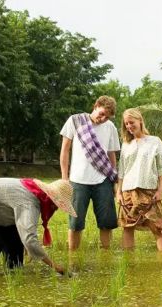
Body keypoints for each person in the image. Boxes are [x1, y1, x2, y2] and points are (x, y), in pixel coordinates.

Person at [0, 178, 77, 276]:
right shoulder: (30, 203)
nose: (56, 209)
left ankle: (13, 273)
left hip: (1, 209)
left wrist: (26, 244)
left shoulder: (36, 191)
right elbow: (30, 239)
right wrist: (55, 266)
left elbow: (24, 230)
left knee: (15, 245)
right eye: (57, 205)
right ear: (51, 200)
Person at [59, 96, 120, 250]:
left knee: (106, 223)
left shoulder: (110, 127)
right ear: (95, 106)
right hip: (78, 181)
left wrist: (114, 181)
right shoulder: (75, 121)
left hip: (103, 181)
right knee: (75, 224)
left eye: (107, 117)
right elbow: (65, 151)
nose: (103, 119)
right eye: (101, 114)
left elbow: (111, 155)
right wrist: (64, 179)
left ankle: (106, 256)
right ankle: (73, 257)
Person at [116, 108, 162, 251]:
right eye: (126, 124)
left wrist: (160, 189)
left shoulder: (155, 141)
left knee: (157, 228)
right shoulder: (126, 144)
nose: (129, 126)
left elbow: (161, 167)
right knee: (127, 228)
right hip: (128, 190)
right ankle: (129, 264)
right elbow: (121, 170)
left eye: (131, 122)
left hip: (149, 191)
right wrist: (118, 192)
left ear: (140, 121)